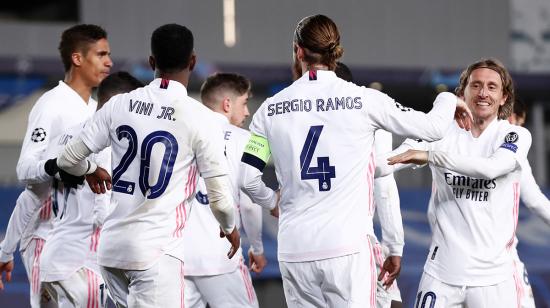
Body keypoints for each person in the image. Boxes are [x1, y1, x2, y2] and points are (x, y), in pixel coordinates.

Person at [239, 14, 470, 308]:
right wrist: (448, 99)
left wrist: (273, 203)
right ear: (336, 50)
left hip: (294, 247)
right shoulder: (364, 100)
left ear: (298, 51)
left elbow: (247, 178)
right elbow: (434, 128)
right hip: (346, 246)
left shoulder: (269, 110)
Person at [54, 24, 239, 307]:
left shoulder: (119, 105)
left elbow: (67, 159)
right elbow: (221, 201)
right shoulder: (202, 118)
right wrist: (229, 228)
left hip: (112, 250)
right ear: (192, 61)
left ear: (152, 62)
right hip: (156, 253)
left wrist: (90, 169)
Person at [385, 58, 531, 307]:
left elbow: (492, 168)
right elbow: (387, 163)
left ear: (504, 97)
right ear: (461, 92)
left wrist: (432, 157)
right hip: (441, 274)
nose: (483, 93)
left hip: (494, 279)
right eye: (475, 85)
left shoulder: (514, 135)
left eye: (491, 87)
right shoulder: (441, 133)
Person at [0, 24, 112, 307]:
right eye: (101, 54)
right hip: (46, 236)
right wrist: (61, 165)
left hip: (86, 238)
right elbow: (25, 169)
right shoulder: (51, 105)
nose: (108, 62)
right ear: (77, 58)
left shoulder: (98, 108)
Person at [39, 72, 143, 308]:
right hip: (83, 263)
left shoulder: (67, 136)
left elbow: (41, 174)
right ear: (117, 102)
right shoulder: (108, 142)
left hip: (54, 257)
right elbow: (102, 213)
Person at [183, 72, 264, 308]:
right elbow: (250, 203)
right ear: (227, 104)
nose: (247, 112)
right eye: (245, 102)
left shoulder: (181, 135)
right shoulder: (250, 140)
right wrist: (257, 249)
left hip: (181, 257)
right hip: (222, 257)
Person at [335, 62, 404, 308]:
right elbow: (383, 187)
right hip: (354, 239)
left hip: (304, 245)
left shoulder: (290, 114)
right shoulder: (369, 111)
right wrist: (394, 245)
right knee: (390, 303)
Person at [507, 99, 550, 308]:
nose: (515, 128)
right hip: (449, 261)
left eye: (520, 124)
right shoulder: (459, 140)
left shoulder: (515, 156)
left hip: (500, 260)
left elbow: (534, 200)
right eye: (512, 119)